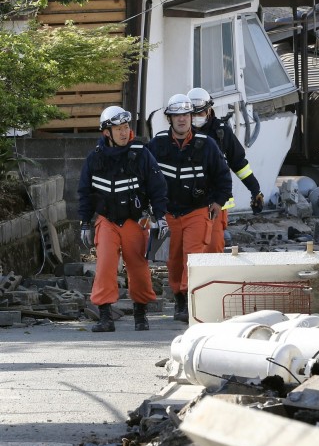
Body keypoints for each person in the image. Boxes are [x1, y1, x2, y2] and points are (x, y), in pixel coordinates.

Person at [78, 106, 169, 333]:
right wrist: (85, 223)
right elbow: (84, 192)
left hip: (135, 220)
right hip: (107, 221)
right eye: (118, 128)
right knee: (105, 265)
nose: (123, 132)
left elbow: (158, 187)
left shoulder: (141, 154)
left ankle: (141, 314)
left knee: (138, 268)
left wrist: (161, 216)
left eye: (126, 127)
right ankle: (106, 316)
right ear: (106, 132)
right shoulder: (94, 159)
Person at [147, 94, 232, 322]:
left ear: (191, 117)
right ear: (169, 119)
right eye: (177, 116)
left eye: (186, 115)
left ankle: (188, 299)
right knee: (173, 260)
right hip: (168, 212)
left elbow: (223, 177)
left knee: (192, 257)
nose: (182, 120)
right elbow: (143, 175)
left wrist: (218, 202)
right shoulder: (157, 145)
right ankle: (178, 298)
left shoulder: (207, 145)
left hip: (197, 210)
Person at [187, 87, 264, 253]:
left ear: (209, 110)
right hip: (187, 202)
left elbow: (239, 164)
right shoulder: (180, 133)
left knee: (214, 246)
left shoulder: (221, 132)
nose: (195, 119)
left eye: (199, 114)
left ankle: (214, 278)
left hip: (216, 201)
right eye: (192, 114)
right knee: (191, 251)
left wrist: (255, 190)